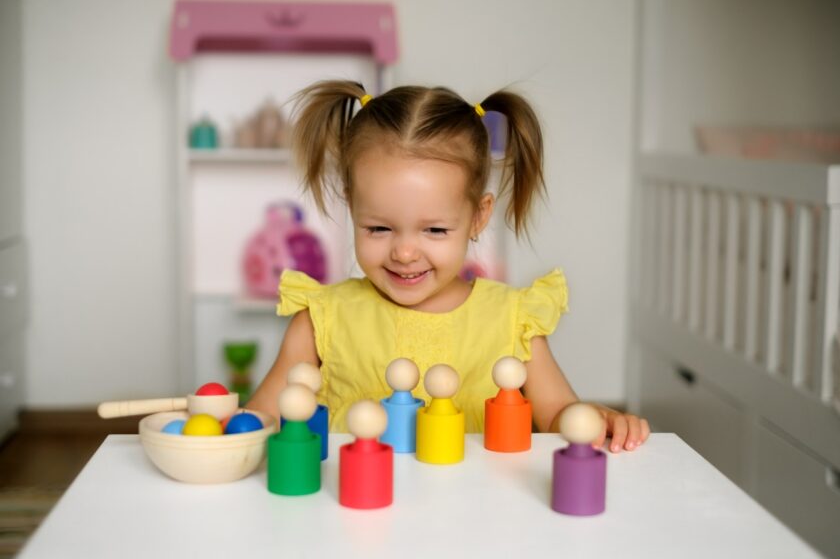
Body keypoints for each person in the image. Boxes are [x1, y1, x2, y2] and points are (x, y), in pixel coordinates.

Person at [246, 80, 649, 453]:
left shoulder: (511, 321)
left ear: (477, 217)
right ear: (352, 207)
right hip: (351, 513)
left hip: (473, 519)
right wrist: (227, 427)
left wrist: (593, 419)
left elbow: (559, 414)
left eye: (435, 230)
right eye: (379, 227)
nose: (404, 253)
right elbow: (263, 418)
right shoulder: (321, 318)